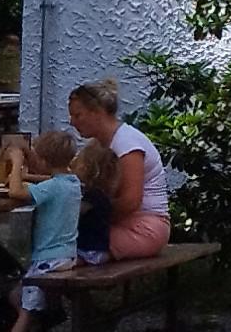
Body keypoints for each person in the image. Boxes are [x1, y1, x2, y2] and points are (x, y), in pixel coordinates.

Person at [0, 130, 108, 332]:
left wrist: (16, 164)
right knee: (24, 293)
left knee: (27, 305)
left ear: (44, 161)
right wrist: (27, 175)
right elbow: (47, 181)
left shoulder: (51, 188)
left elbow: (16, 193)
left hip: (47, 259)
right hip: (66, 255)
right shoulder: (72, 184)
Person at [65, 82, 176, 258]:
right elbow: (69, 178)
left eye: (78, 115)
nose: (72, 122)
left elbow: (131, 202)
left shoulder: (127, 145)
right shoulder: (101, 144)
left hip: (144, 228)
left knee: (64, 246)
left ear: (98, 113)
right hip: (125, 224)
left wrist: (93, 219)